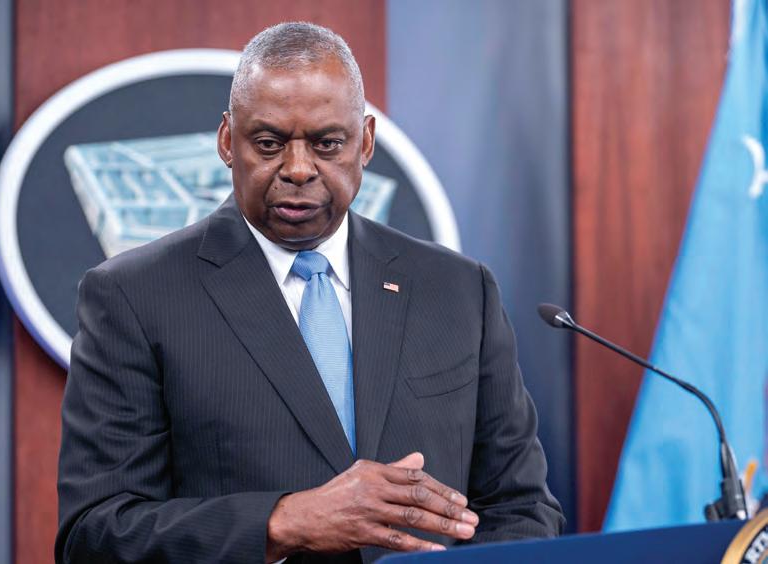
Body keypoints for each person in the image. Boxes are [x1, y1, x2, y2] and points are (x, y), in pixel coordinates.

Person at [56, 22, 564, 564]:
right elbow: (95, 535)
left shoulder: (459, 290)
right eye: (269, 144)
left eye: (327, 144)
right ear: (227, 141)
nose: (298, 170)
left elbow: (522, 508)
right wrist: (284, 522)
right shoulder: (134, 296)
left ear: (365, 142)